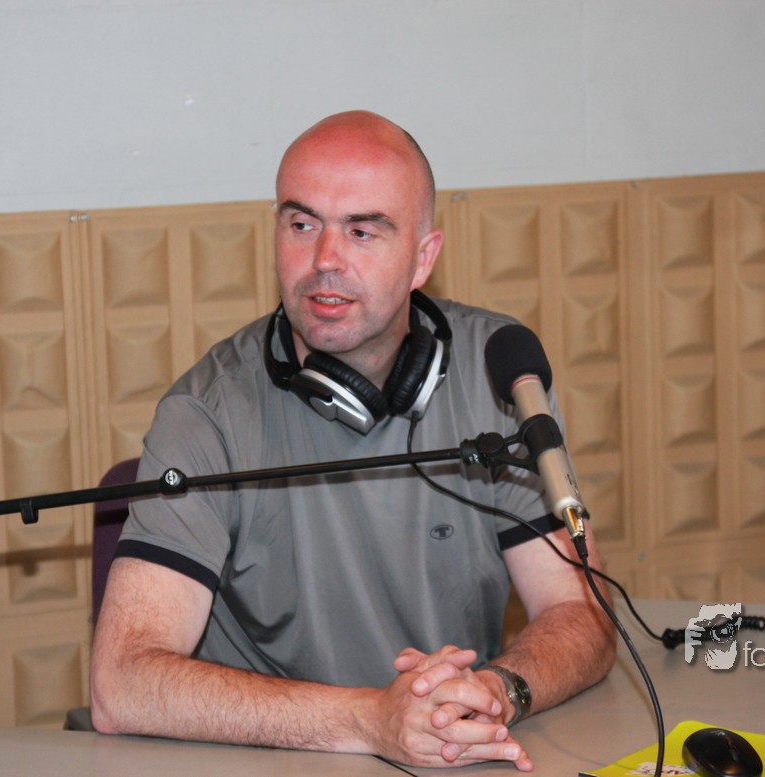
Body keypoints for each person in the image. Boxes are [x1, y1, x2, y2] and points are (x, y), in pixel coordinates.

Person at [90, 110, 617, 771]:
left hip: (453, 753)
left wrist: (496, 691)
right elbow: (122, 682)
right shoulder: (207, 410)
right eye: (302, 224)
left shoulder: (499, 374)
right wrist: (369, 719)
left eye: (362, 230)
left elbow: (582, 609)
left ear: (423, 257)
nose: (324, 261)